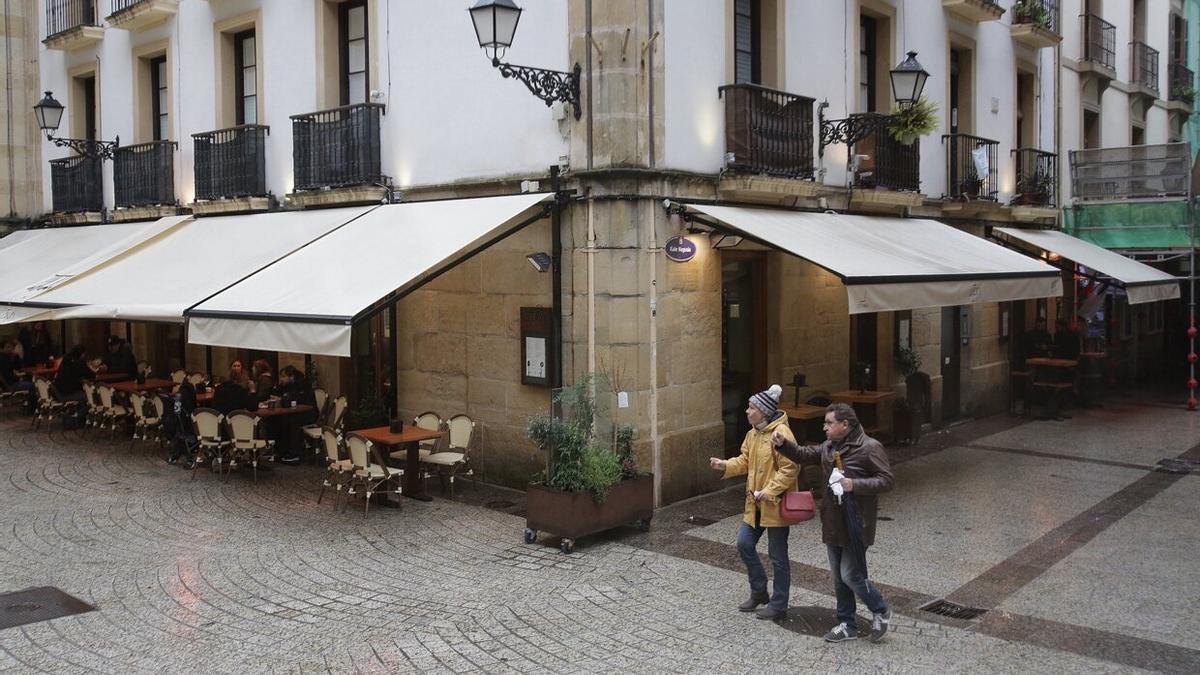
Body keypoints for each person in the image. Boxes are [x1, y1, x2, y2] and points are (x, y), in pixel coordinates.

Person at [771, 403, 893, 643]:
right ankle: (847, 624)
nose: (824, 427)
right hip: (833, 521)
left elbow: (886, 480)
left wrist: (855, 485)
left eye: (829, 423)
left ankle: (880, 609)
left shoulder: (869, 448)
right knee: (839, 577)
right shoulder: (829, 447)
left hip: (856, 523)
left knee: (850, 574)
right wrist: (783, 444)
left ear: (845, 425)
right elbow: (805, 455)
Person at [707, 384, 798, 621]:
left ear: (764, 412)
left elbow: (790, 468)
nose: (747, 411)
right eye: (748, 407)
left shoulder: (781, 434)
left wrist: (769, 491)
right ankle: (759, 591)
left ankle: (779, 604)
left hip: (774, 504)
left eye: (752, 407)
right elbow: (745, 461)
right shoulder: (752, 434)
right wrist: (725, 465)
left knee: (778, 556)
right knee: (744, 544)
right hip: (755, 504)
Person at [270, 365, 317, 464]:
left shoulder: (302, 384)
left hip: (307, 414)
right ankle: (280, 451)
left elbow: (295, 399)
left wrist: (282, 399)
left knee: (291, 422)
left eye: (283, 376)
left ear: (291, 377)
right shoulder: (287, 385)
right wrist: (278, 387)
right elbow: (279, 394)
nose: (281, 379)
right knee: (276, 420)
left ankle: (294, 453)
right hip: (296, 413)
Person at [52, 345, 94, 425]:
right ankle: (77, 417)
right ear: (81, 354)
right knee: (89, 397)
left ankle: (79, 417)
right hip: (67, 394)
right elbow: (91, 375)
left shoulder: (66, 359)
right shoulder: (78, 362)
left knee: (83, 394)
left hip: (58, 392)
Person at [165, 381, 198, 466]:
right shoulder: (189, 399)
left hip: (178, 426)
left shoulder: (178, 398)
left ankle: (178, 452)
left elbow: (176, 412)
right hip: (191, 427)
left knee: (181, 435)